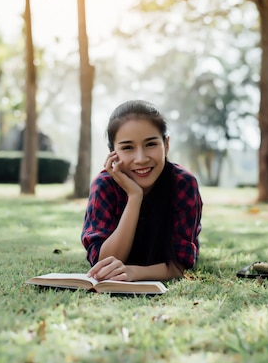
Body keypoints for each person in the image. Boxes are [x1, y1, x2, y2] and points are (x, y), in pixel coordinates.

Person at [81, 100, 203, 282]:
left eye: (151, 144)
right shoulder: (104, 185)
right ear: (113, 153)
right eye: (128, 147)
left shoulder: (183, 183)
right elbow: (104, 263)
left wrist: (134, 273)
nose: (141, 159)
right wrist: (134, 197)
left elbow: (179, 265)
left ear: (166, 145)